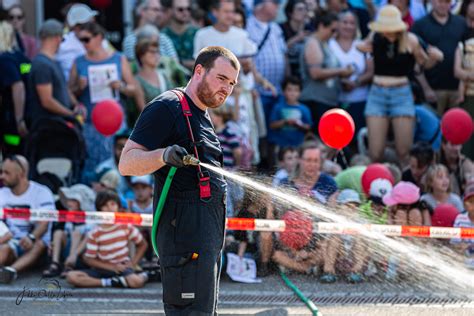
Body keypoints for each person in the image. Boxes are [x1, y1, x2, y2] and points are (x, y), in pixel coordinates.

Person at [119, 46, 240, 314]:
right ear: (199, 71)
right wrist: (163, 155)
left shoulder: (202, 114)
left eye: (231, 83)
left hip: (203, 244)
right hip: (184, 247)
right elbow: (127, 163)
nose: (226, 89)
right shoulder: (167, 107)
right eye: (221, 78)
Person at [357, 5, 442, 165]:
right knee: (375, 153)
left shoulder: (410, 40)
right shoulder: (375, 35)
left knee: (404, 152)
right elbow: (361, 46)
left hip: (401, 93)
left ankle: (404, 186)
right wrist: (362, 46)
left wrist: (435, 58)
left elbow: (422, 65)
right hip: (377, 93)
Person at [68, 22, 136, 183]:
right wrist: (79, 88)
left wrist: (121, 86)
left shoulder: (119, 58)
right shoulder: (79, 61)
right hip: (91, 124)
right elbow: (69, 91)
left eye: (86, 39)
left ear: (99, 38)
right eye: (80, 40)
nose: (83, 44)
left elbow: (133, 88)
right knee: (92, 164)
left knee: (118, 161)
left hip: (115, 123)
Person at [66, 190, 150, 288]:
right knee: (71, 277)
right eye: (104, 205)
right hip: (101, 268)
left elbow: (142, 244)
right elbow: (88, 259)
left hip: (122, 268)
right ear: (99, 209)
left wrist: (133, 263)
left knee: (136, 282)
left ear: (118, 207)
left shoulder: (126, 227)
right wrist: (112, 267)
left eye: (112, 204)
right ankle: (110, 282)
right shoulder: (95, 232)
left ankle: (146, 276)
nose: (109, 208)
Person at [0, 155, 54, 284]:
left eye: (7, 173)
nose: (2, 176)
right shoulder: (2, 193)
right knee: (4, 248)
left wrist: (31, 237)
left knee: (40, 244)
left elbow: (45, 222)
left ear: (21, 173)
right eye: (1, 172)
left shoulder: (42, 192)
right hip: (10, 241)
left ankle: (11, 272)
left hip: (34, 242)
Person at [411, 0, 469, 114]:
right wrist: (426, 89)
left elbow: (466, 57)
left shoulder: (461, 23)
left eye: (446, 1)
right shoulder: (420, 25)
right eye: (439, 1)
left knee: (456, 128)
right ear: (432, 2)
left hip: (456, 89)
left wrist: (462, 88)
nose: (443, 4)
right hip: (433, 89)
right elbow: (415, 61)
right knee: (435, 128)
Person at [299, 9, 354, 130]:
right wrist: (341, 71)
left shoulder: (324, 43)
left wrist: (342, 81)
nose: (334, 34)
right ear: (321, 26)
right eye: (332, 30)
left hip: (327, 101)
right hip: (316, 101)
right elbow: (315, 73)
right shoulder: (313, 43)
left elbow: (328, 71)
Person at [28, 19, 80, 126]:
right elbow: (47, 101)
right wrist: (70, 114)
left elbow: (63, 89)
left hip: (57, 126)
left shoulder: (53, 62)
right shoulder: (42, 65)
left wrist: (76, 105)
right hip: (48, 129)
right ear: (57, 38)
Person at [42, 184, 96, 278]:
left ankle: (69, 266)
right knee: (58, 233)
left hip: (82, 254)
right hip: (68, 251)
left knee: (77, 233)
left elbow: (89, 238)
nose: (68, 202)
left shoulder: (91, 218)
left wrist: (74, 255)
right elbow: (65, 235)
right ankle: (55, 263)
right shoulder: (69, 217)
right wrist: (53, 243)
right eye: (68, 199)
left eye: (73, 200)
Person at [0, 20, 28, 156]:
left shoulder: (4, 59)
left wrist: (19, 118)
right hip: (29, 117)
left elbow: (18, 86)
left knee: (12, 157)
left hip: (12, 121)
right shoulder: (22, 58)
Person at [269, 76, 312, 148]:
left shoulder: (304, 109)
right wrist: (285, 122)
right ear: (283, 91)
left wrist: (298, 124)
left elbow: (308, 127)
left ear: (300, 92)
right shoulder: (278, 107)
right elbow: (272, 125)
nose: (292, 93)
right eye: (289, 90)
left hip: (298, 144)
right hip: (281, 145)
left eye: (296, 90)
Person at [450, 181, 474, 269]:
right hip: (464, 263)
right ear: (465, 204)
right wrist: (461, 247)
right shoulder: (460, 219)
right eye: (471, 202)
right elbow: (454, 244)